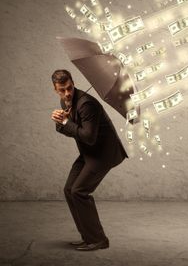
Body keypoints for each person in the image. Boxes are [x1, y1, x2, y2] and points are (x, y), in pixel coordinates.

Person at [50, 69, 128, 251]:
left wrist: (65, 123)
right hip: (88, 153)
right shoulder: (65, 101)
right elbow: (71, 130)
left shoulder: (87, 104)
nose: (67, 93)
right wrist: (60, 122)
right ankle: (88, 237)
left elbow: (88, 136)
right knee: (69, 190)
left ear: (73, 83)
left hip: (104, 154)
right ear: (55, 90)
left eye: (69, 88)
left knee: (79, 191)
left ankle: (99, 240)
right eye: (62, 90)